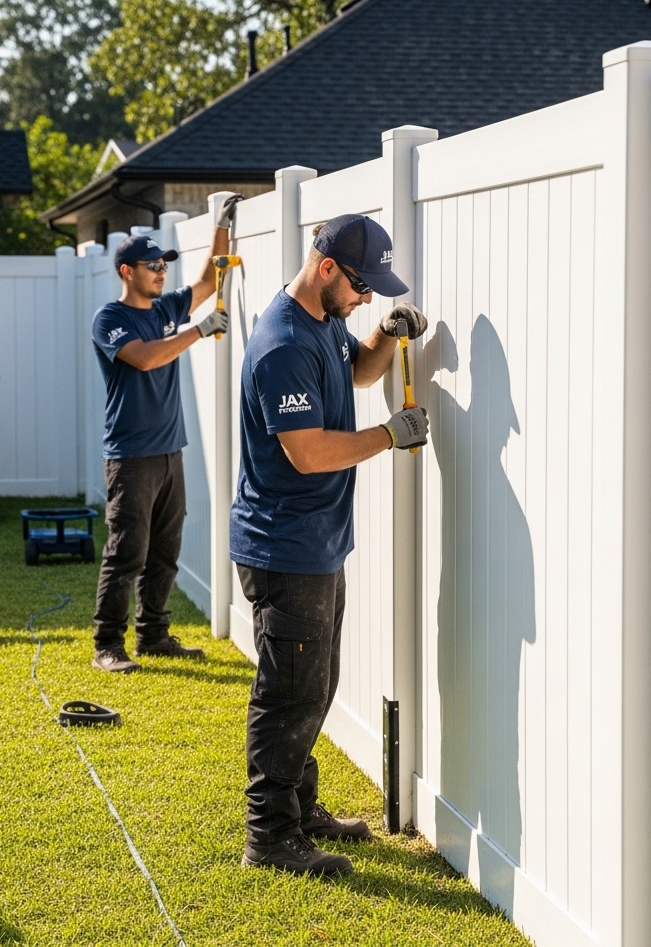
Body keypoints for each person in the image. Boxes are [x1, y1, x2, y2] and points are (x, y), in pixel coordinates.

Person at [230, 213, 429, 875]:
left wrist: (382, 335)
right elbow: (309, 452)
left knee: (314, 685)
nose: (368, 295)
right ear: (325, 269)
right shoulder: (283, 342)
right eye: (362, 286)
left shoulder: (321, 324)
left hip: (312, 545)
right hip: (282, 548)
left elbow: (358, 373)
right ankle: (270, 838)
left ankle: (298, 809)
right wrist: (390, 435)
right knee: (289, 690)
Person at [90, 196, 242, 673]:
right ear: (126, 271)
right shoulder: (110, 320)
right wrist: (197, 332)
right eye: (152, 265)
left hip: (169, 451)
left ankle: (153, 636)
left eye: (163, 265)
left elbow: (208, 279)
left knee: (165, 551)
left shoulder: (167, 308)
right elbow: (145, 358)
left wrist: (221, 225)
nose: (161, 271)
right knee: (126, 552)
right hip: (130, 455)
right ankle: (107, 646)